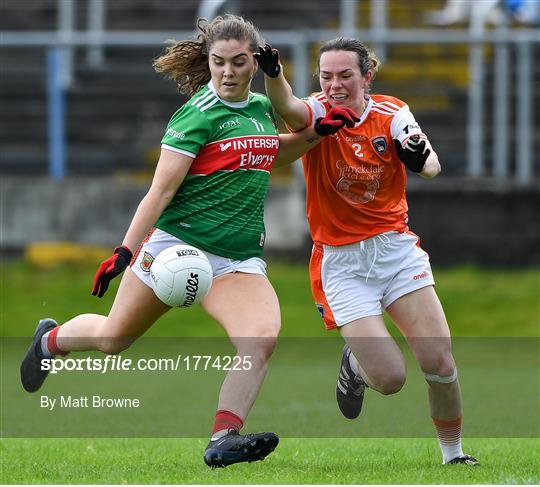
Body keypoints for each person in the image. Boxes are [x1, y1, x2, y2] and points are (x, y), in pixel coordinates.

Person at [19, 16, 356, 469]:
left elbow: (273, 153)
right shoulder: (195, 117)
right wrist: (124, 252)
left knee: (260, 338)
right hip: (173, 250)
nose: (229, 72)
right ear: (209, 61)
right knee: (114, 339)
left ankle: (224, 437)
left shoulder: (260, 107)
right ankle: (50, 342)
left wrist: (316, 134)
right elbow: (160, 190)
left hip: (236, 259)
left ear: (254, 63)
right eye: (219, 63)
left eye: (239, 62)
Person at [255, 38, 479, 466]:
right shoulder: (319, 111)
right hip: (341, 263)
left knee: (440, 363)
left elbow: (429, 162)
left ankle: (454, 456)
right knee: (391, 378)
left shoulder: (392, 113)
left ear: (366, 77)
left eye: (345, 75)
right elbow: (289, 110)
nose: (334, 84)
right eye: (326, 76)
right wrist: (274, 75)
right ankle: (355, 368)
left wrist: (419, 160)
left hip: (395, 252)